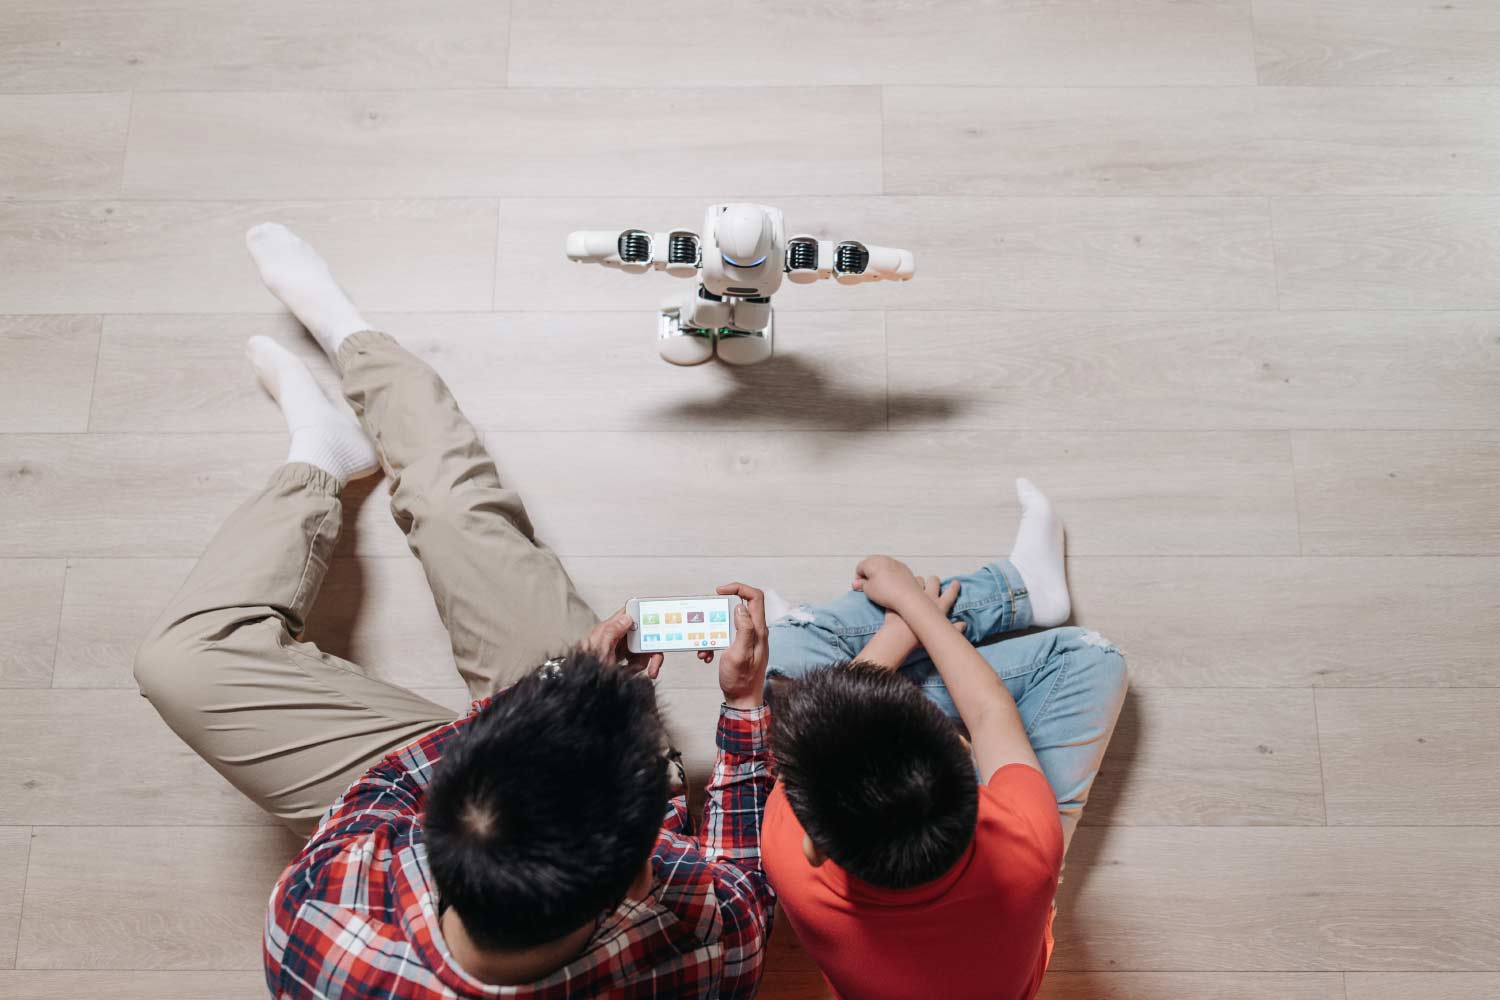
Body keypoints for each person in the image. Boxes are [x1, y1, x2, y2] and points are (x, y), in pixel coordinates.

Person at [131, 224, 777, 999]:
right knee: (458, 513)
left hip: (421, 781)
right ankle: (351, 346)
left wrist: (556, 688)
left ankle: (318, 453)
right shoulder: (704, 949)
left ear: (430, 833)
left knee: (178, 663)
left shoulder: (316, 931)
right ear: (642, 877)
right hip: (519, 778)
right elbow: (741, 882)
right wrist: (742, 707)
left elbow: (378, 796)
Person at [759, 491, 1128, 1000]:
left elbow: (815, 726)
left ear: (814, 844)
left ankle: (1012, 592)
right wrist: (913, 607)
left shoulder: (786, 852)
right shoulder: (1028, 843)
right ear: (967, 757)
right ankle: (1017, 588)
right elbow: (990, 711)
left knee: (785, 654)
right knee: (1093, 656)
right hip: (1021, 850)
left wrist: (897, 634)